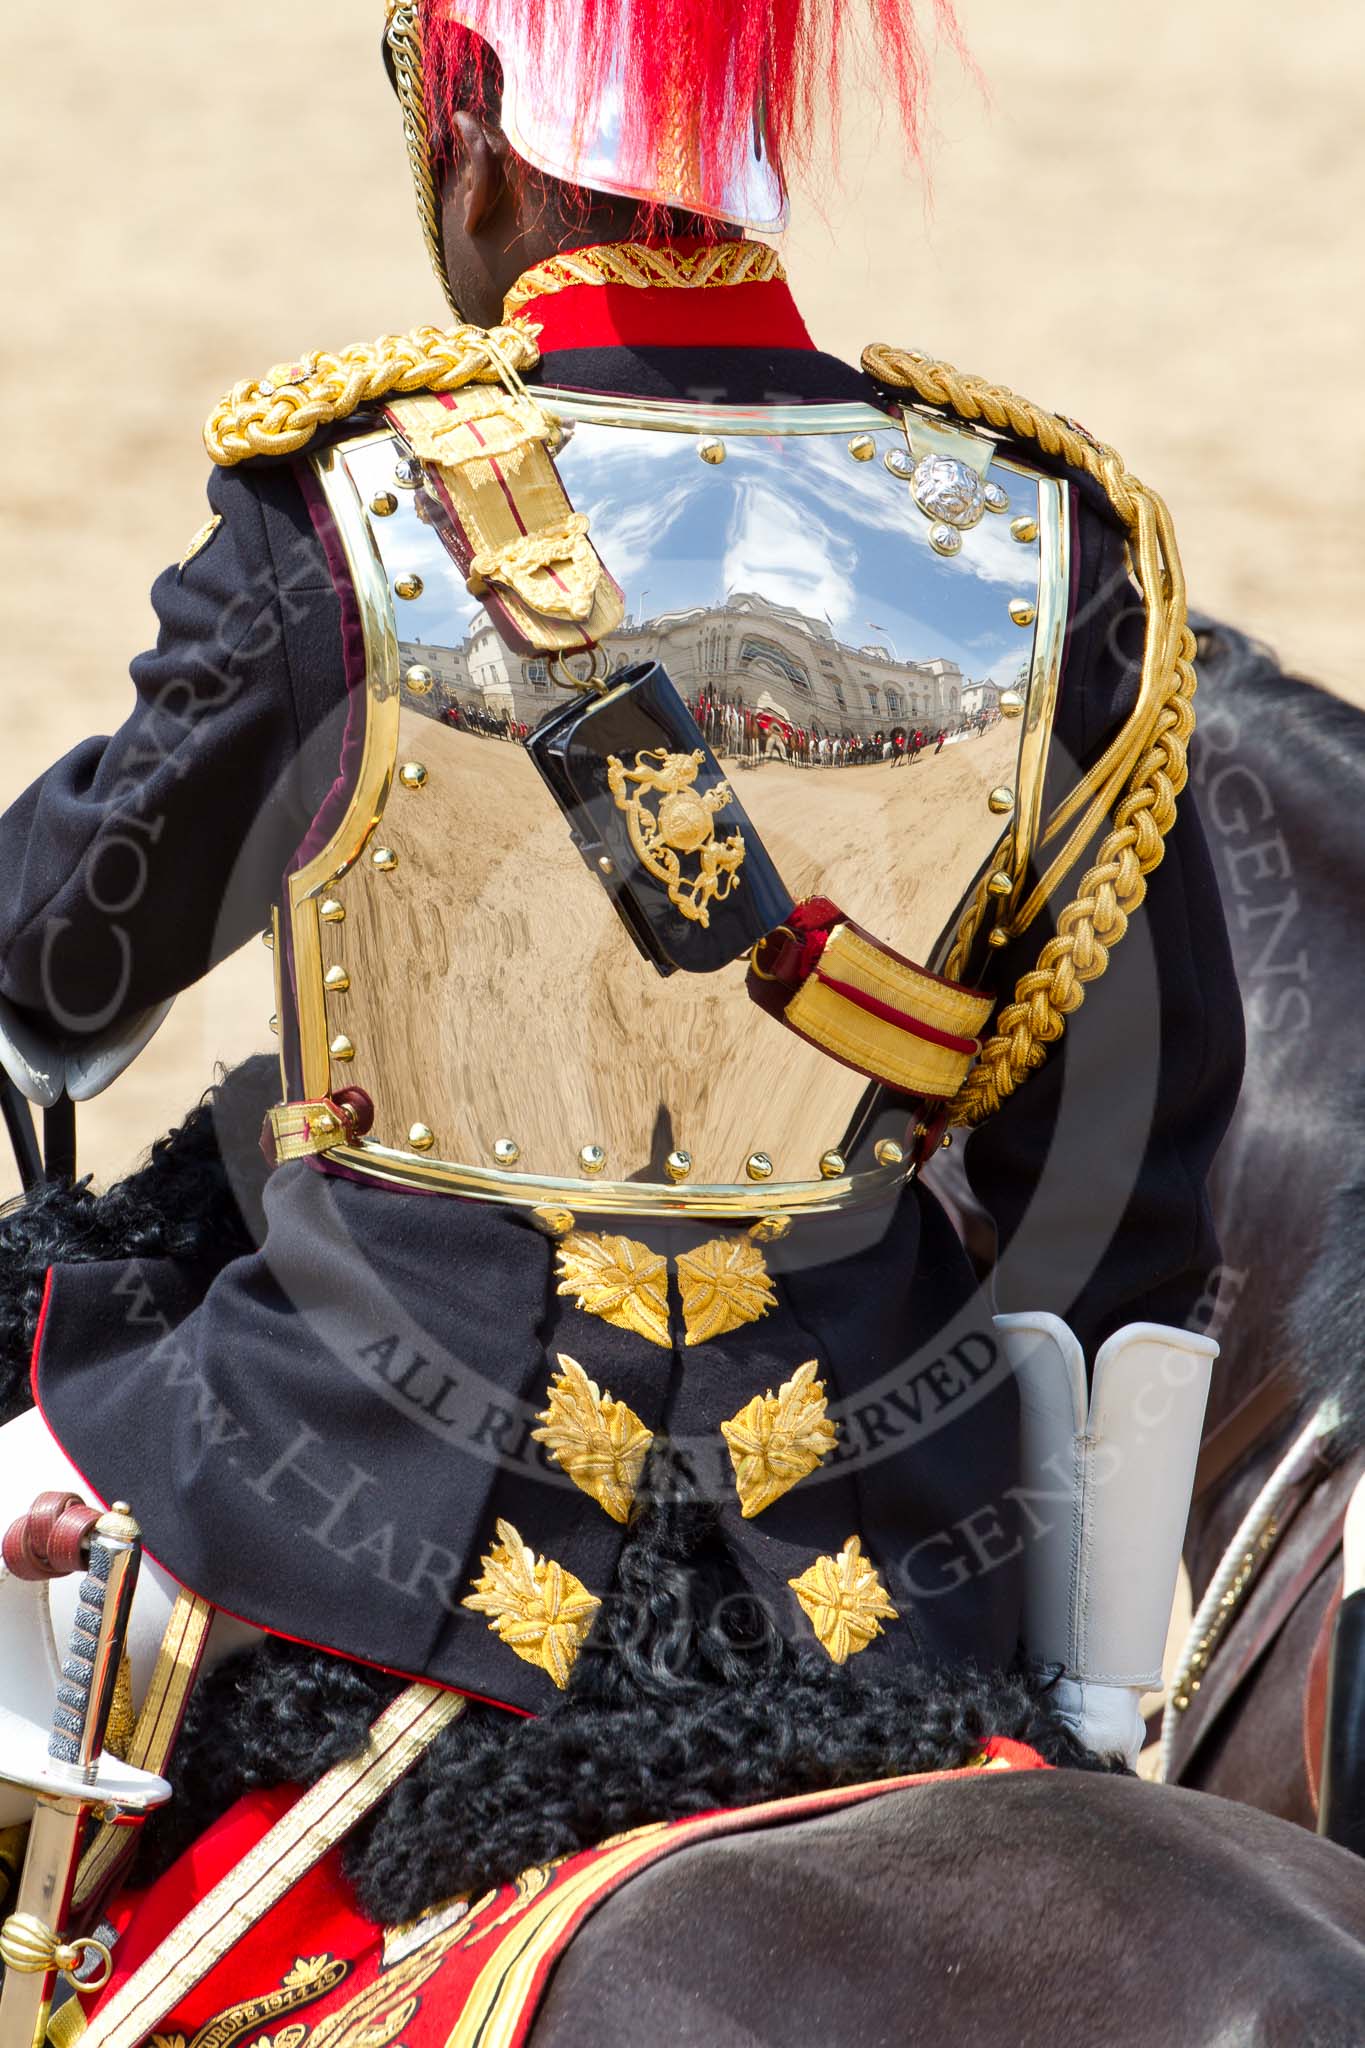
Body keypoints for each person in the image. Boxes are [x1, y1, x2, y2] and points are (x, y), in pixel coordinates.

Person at [0, 0, 1241, 2032]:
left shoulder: (349, 513)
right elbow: (1130, 1183)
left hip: (346, 1519)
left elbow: (62, 959)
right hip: (875, 1575)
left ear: (471, 119)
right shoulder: (1049, 544)